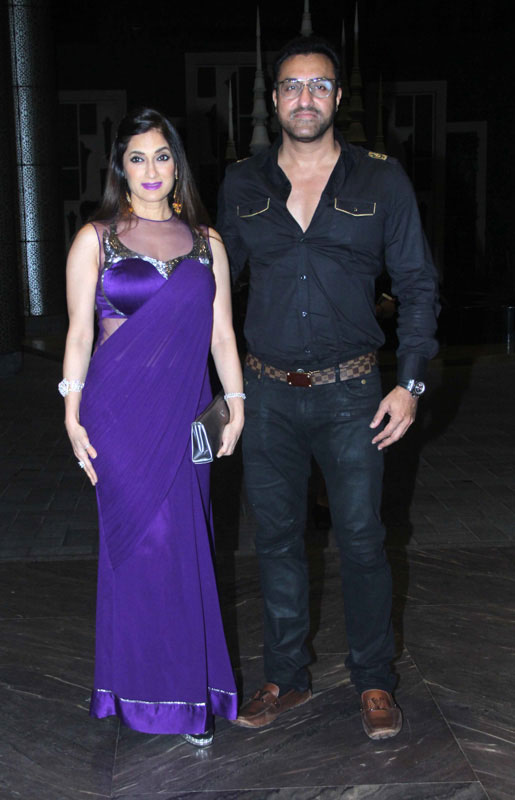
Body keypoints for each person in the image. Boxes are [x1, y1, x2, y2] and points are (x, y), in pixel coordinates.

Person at [217, 36, 439, 740]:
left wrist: (409, 384)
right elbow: (210, 291)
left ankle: (374, 679)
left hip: (353, 395)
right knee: (276, 540)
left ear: (338, 98)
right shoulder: (242, 186)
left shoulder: (382, 181)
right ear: (274, 99)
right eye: (292, 85)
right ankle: (286, 677)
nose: (305, 97)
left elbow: (417, 285)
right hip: (267, 395)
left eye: (318, 85)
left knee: (363, 540)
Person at [61, 108, 245, 747]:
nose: (150, 170)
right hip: (118, 419)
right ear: (120, 166)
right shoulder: (96, 239)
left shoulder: (208, 242)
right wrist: (70, 411)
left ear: (177, 164)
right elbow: (79, 334)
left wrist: (236, 400)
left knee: (186, 546)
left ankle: (188, 697)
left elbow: (223, 335)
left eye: (161, 156)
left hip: (189, 414)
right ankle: (142, 694)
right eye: (137, 157)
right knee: (140, 552)